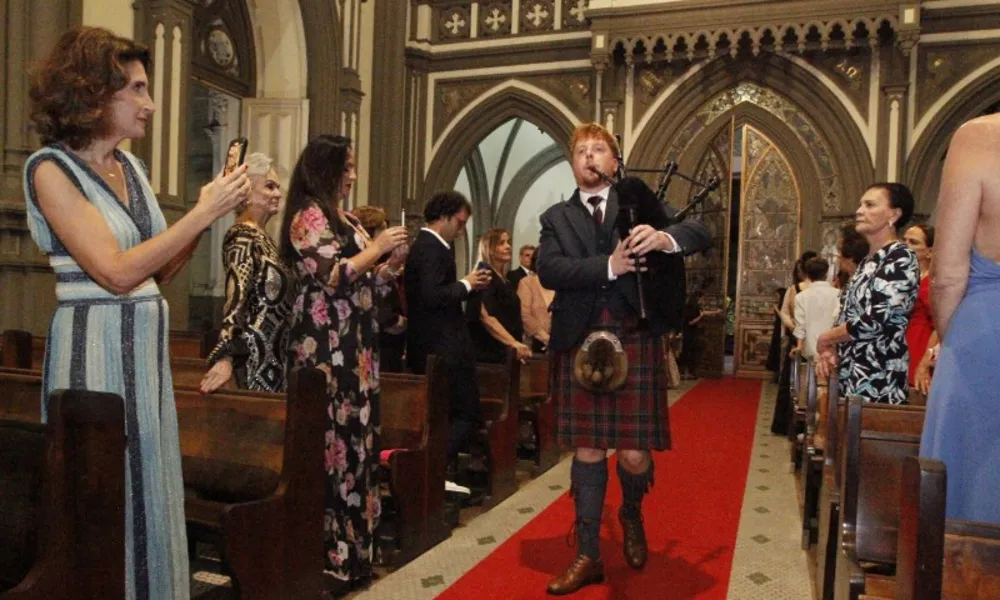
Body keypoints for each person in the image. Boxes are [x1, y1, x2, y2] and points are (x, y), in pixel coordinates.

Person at [24, 27, 250, 600]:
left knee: (151, 487)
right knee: (103, 498)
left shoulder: (134, 169)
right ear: (94, 92)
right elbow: (116, 272)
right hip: (93, 349)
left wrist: (211, 212)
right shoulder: (49, 169)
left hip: (144, 359)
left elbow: (160, 273)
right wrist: (201, 214)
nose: (150, 103)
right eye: (138, 89)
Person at [536, 122, 710, 595]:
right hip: (579, 341)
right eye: (580, 151)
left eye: (599, 150)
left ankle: (631, 513)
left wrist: (663, 238)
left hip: (633, 336)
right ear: (572, 164)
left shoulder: (638, 205)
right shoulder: (556, 217)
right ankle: (588, 552)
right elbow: (548, 267)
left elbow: (699, 229)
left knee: (633, 453)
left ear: (615, 161)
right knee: (588, 450)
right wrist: (607, 266)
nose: (589, 157)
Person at [279, 134, 408, 593]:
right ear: (325, 169)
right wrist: (375, 249)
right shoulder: (307, 216)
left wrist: (389, 266)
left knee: (358, 451)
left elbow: (366, 288)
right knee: (331, 451)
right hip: (325, 350)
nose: (353, 175)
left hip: (357, 351)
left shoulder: (347, 218)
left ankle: (355, 555)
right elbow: (333, 278)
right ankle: (328, 557)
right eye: (347, 167)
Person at [920, 115, 1000, 524]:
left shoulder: (981, 138)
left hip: (986, 345)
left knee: (965, 522)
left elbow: (948, 275)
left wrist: (952, 343)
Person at [404, 191, 491, 483]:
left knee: (451, 416)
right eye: (459, 222)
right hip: (441, 349)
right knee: (466, 415)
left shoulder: (431, 247)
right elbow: (432, 296)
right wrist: (466, 284)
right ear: (443, 216)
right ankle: (430, 470)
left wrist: (466, 286)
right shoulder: (431, 248)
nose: (461, 229)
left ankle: (433, 473)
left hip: (435, 347)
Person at [816, 183, 920, 404]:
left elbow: (874, 321)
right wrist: (833, 347)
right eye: (860, 204)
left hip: (878, 376)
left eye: (870, 205)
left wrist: (826, 337)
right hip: (852, 371)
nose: (859, 211)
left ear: (894, 214)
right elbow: (847, 314)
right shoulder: (868, 261)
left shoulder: (900, 257)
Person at [201, 153, 297, 393]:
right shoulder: (242, 236)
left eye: (277, 187)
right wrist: (225, 357)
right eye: (269, 186)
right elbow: (236, 296)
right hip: (254, 360)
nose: (278, 193)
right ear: (245, 193)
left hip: (277, 358)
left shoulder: (265, 239)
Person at [354, 205, 407, 373]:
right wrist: (396, 321)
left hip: (390, 346)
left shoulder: (381, 262)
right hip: (380, 342)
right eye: (382, 230)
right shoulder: (361, 263)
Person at [467, 228, 532, 364]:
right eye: (501, 243)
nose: (508, 246)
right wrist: (513, 342)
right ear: (489, 248)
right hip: (488, 352)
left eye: (508, 242)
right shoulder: (484, 274)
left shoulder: (504, 280)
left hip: (503, 351)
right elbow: (486, 316)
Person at [902, 224, 937, 397]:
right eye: (904, 240)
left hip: (920, 348)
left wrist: (925, 362)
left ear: (929, 252)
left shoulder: (930, 282)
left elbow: (941, 325)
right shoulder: (911, 279)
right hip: (905, 349)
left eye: (913, 242)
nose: (906, 245)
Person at [792, 257, 840, 361]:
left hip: (810, 350)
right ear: (826, 273)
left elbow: (800, 326)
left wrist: (799, 346)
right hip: (832, 349)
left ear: (808, 275)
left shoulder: (801, 297)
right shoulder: (838, 294)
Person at [517, 249, 554, 353]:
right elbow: (524, 315)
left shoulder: (561, 285)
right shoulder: (527, 283)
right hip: (534, 347)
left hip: (559, 346)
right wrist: (547, 339)